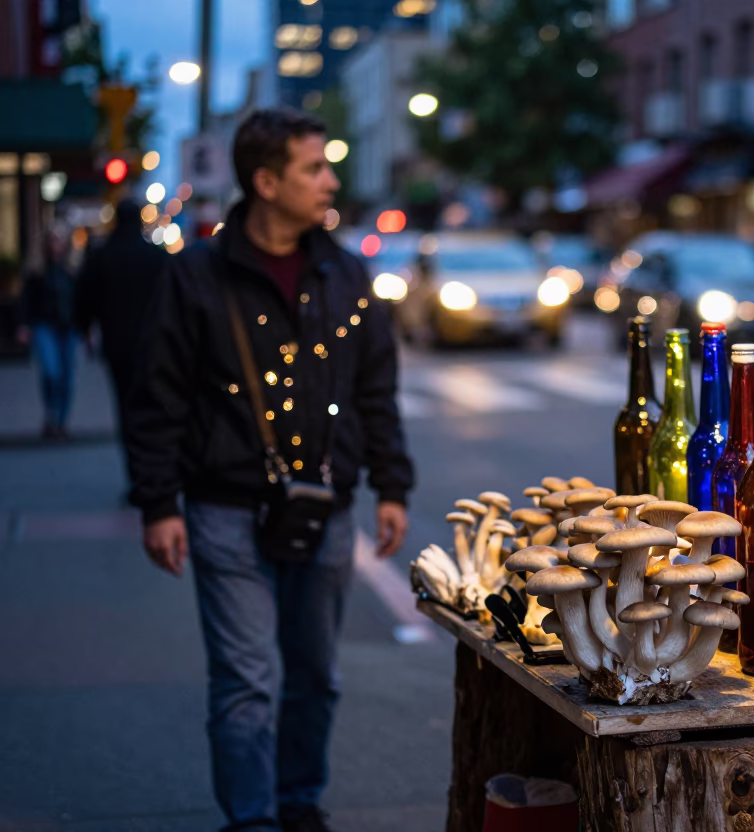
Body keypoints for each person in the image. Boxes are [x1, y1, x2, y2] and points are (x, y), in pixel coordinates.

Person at [125, 108, 415, 832]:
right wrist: (158, 501)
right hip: (224, 509)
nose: (330, 180)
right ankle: (252, 820)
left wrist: (393, 484)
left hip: (325, 505)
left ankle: (297, 802)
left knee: (315, 677)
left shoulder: (345, 272)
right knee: (246, 682)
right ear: (265, 181)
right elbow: (156, 394)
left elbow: (375, 384)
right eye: (313, 168)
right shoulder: (198, 276)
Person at [75, 197, 168, 444]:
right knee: (149, 402)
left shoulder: (103, 257)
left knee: (124, 400)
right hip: (151, 343)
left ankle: (133, 454)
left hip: (116, 343)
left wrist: (84, 328)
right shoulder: (155, 258)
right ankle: (147, 460)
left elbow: (85, 297)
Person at [17, 226, 79, 440]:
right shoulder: (37, 271)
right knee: (51, 372)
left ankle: (60, 421)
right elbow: (26, 299)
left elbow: (81, 300)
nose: (56, 245)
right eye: (52, 240)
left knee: (67, 376)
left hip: (69, 327)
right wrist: (24, 325)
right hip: (44, 325)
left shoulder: (72, 269)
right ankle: (51, 415)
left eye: (59, 240)